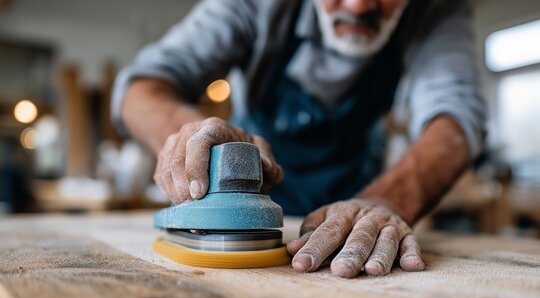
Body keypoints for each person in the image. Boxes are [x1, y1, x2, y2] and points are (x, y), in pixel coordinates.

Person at [112, 0, 486, 278]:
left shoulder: (437, 8)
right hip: (264, 192)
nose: (358, 6)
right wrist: (189, 138)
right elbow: (141, 88)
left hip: (358, 195)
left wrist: (385, 201)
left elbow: (455, 118)